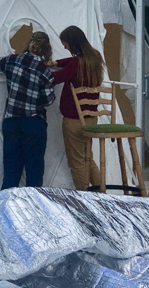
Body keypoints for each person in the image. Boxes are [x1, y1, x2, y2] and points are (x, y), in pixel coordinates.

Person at [0, 32, 56, 190]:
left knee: (11, 169)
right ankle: (32, 210)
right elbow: (48, 100)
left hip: (11, 121)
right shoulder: (44, 71)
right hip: (33, 122)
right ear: (46, 49)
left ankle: (6, 208)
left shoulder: (12, 60)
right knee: (34, 171)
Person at [48, 25, 105, 191]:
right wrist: (56, 62)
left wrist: (38, 69)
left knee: (77, 163)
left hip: (74, 120)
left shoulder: (75, 64)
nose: (64, 47)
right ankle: (102, 193)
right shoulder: (95, 57)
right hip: (91, 119)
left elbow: (55, 78)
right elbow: (71, 62)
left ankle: (84, 196)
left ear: (72, 43)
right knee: (89, 158)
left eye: (65, 43)